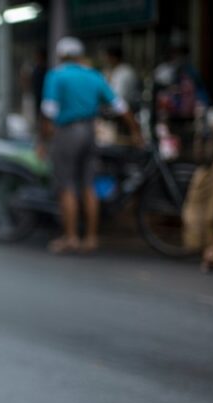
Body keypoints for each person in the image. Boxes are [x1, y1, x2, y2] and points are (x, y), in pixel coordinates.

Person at [38, 37, 142, 254]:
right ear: (79, 55)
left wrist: (42, 140)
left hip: (67, 132)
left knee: (66, 185)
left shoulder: (56, 76)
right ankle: (92, 238)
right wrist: (135, 132)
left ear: (60, 56)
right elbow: (120, 106)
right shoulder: (94, 76)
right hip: (90, 132)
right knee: (89, 185)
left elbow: (48, 112)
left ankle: (71, 237)